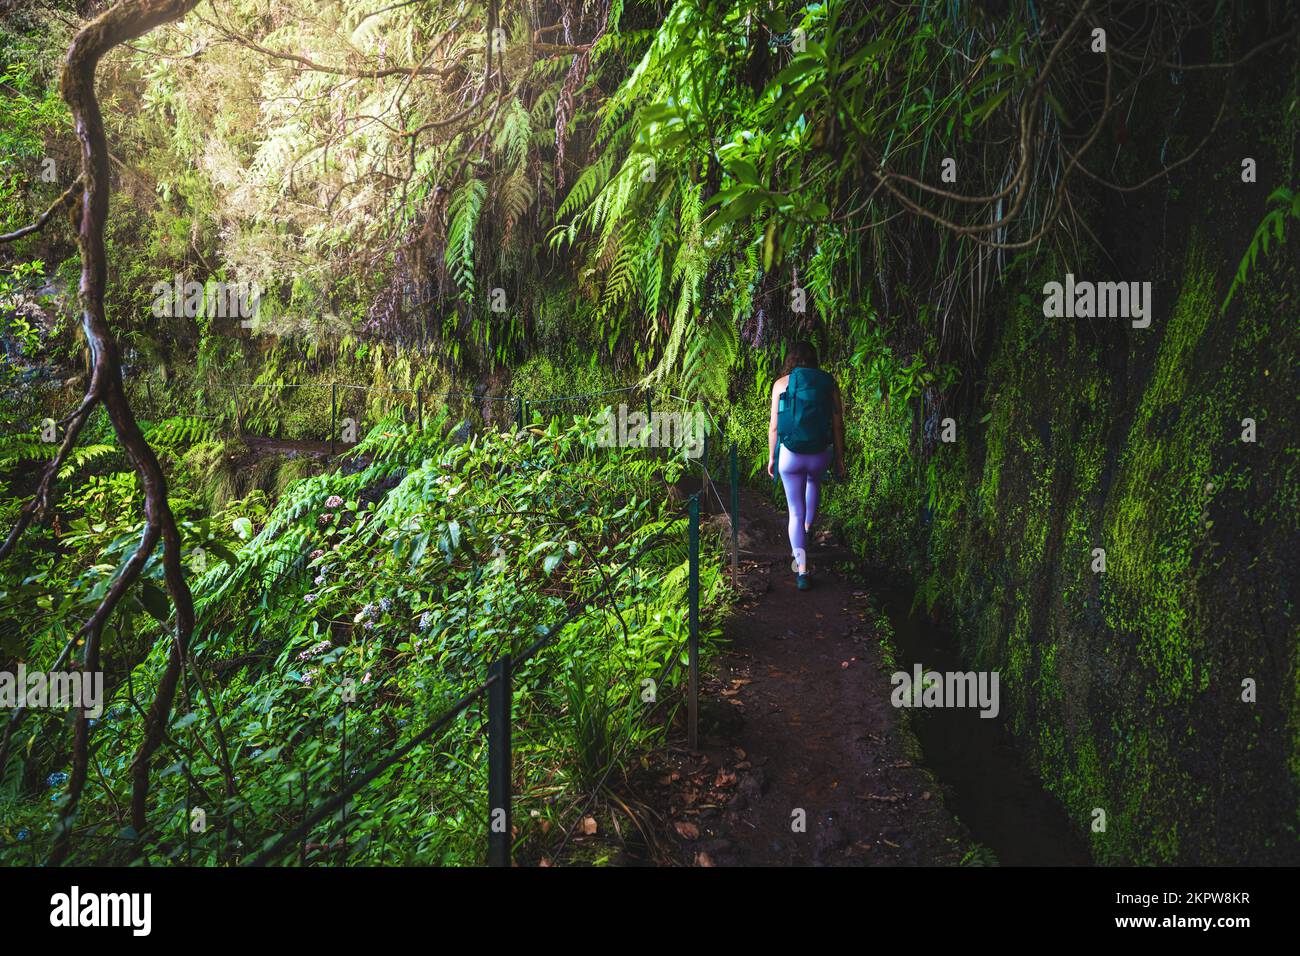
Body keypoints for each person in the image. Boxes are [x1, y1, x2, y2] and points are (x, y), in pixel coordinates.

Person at [766, 341, 846, 590]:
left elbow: (775, 427)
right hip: (820, 454)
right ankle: (809, 528)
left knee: (794, 512)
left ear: (790, 360)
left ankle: (801, 570)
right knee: (813, 481)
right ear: (815, 361)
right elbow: (837, 426)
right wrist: (840, 460)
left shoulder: (781, 384)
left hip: (790, 455)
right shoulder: (829, 383)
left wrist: (772, 457)